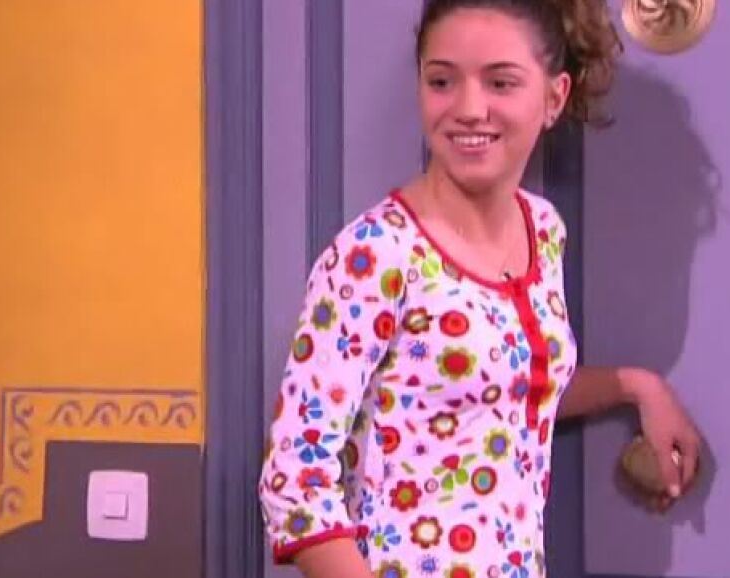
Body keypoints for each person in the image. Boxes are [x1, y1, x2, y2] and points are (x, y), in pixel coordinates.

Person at [257, 1, 703, 577]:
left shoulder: (542, 231)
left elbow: (502, 390)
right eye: (442, 81)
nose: (468, 109)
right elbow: (295, 481)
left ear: (554, 97)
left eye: (500, 82)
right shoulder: (375, 256)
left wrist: (638, 387)